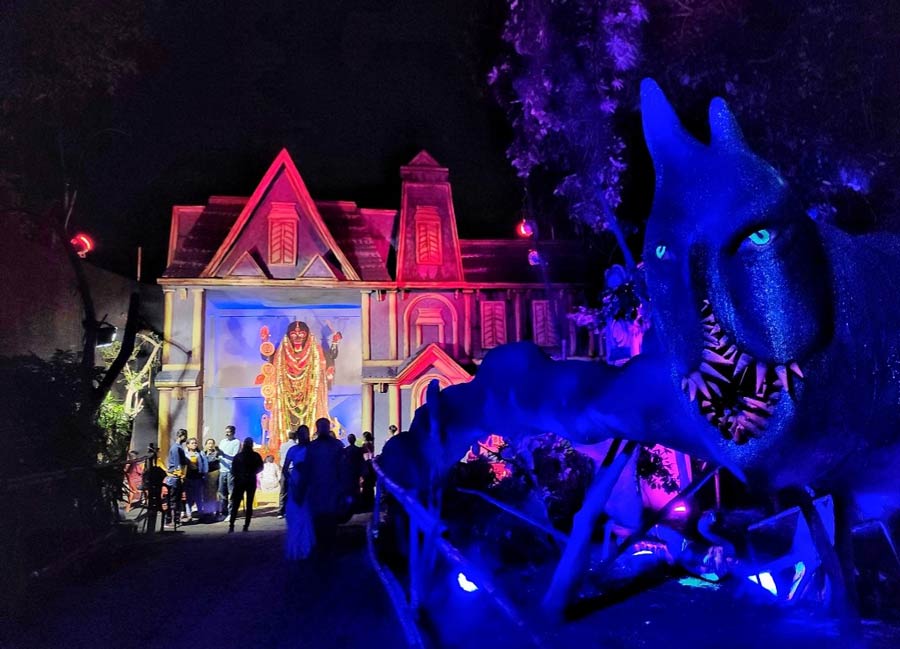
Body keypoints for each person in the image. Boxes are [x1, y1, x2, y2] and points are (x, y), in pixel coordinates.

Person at [262, 320, 342, 444]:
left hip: (309, 392)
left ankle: (309, 439)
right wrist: (265, 342)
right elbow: (268, 357)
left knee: (310, 417)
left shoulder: (315, 350)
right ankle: (288, 441)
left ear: (307, 335)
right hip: (287, 393)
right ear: (289, 336)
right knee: (287, 419)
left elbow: (331, 355)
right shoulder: (281, 352)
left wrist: (335, 342)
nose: (298, 337)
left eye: (302, 334)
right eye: (294, 334)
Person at [306, 417, 346, 549]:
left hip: (332, 487)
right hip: (316, 488)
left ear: (329, 428)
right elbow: (308, 467)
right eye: (321, 426)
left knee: (331, 518)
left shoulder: (337, 445)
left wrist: (343, 487)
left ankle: (330, 544)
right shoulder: (312, 447)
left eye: (325, 426)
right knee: (318, 518)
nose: (323, 429)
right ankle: (320, 544)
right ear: (317, 429)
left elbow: (342, 466)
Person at [284, 426, 314, 560]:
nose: (304, 436)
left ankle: (307, 547)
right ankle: (297, 547)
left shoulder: (313, 448)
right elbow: (285, 468)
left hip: (310, 481)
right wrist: (291, 481)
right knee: (296, 514)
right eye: (301, 434)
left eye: (305, 433)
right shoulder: (293, 449)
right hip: (295, 481)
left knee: (308, 514)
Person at [229, 437, 264, 532]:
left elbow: (233, 470)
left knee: (236, 504)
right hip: (251, 480)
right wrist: (252, 473)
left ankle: (231, 525)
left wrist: (239, 475)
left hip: (240, 481)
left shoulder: (238, 456)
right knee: (249, 504)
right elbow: (261, 467)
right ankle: (246, 526)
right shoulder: (256, 455)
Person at [165, 429, 190, 527]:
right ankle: (170, 520)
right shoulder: (176, 448)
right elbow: (177, 464)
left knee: (177, 499)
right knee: (173, 499)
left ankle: (176, 519)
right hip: (174, 477)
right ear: (182, 436)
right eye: (185, 436)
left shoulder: (179, 447)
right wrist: (181, 475)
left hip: (177, 477)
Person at [218, 425, 241, 518]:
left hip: (231, 470)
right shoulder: (223, 441)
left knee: (231, 493)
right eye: (226, 431)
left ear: (233, 432)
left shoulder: (236, 442)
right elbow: (220, 454)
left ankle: (231, 513)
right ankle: (224, 512)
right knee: (222, 492)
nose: (227, 433)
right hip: (222, 469)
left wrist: (224, 454)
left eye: (229, 432)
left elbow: (234, 456)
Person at [183, 437, 208, 520]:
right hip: (188, 478)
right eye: (192, 443)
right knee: (189, 497)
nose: (194, 444)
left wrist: (205, 475)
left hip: (198, 478)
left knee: (198, 496)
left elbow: (205, 465)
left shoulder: (200, 453)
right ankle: (189, 514)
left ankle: (201, 513)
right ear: (188, 445)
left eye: (195, 443)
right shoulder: (184, 454)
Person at [277, 429, 299, 518]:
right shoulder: (296, 446)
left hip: (284, 469)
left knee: (283, 490)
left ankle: (281, 511)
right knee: (293, 490)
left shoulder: (283, 445)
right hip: (293, 469)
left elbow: (280, 457)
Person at [343, 434, 365, 513]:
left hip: (348, 472)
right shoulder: (358, 450)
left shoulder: (345, 450)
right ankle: (356, 506)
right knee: (356, 489)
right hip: (356, 472)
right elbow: (361, 461)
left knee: (350, 490)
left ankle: (350, 507)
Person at [202, 438, 220, 516]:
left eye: (212, 443)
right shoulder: (203, 453)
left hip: (214, 474)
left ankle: (214, 510)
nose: (210, 445)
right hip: (205, 475)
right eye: (209, 443)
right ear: (206, 445)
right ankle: (206, 510)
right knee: (205, 493)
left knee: (213, 493)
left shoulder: (216, 454)